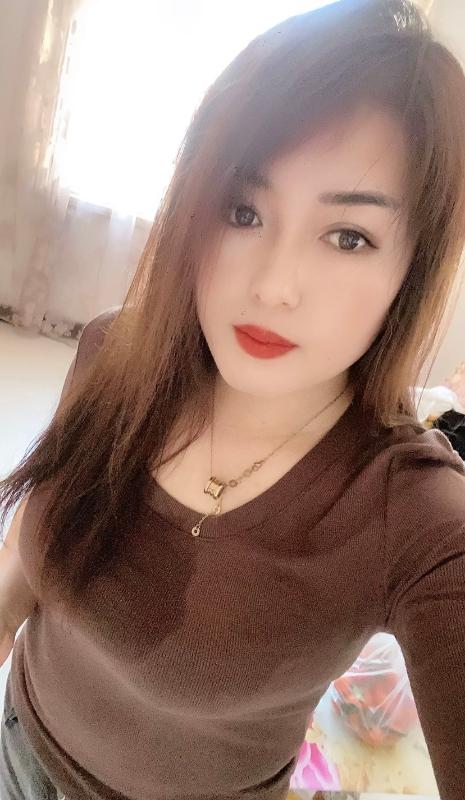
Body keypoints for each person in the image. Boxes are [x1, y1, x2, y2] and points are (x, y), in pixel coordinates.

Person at [0, 0, 465, 798]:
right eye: (242, 211)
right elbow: (32, 549)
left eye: (347, 236)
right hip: (19, 740)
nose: (272, 286)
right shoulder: (116, 353)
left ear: (411, 269)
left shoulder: (417, 519)